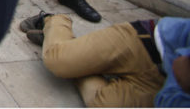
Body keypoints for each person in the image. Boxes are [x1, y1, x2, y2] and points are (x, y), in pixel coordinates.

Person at [19, 12, 190, 107]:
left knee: (101, 104)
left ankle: (73, 53)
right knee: (57, 60)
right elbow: (181, 68)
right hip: (146, 42)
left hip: (159, 81)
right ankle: (54, 21)